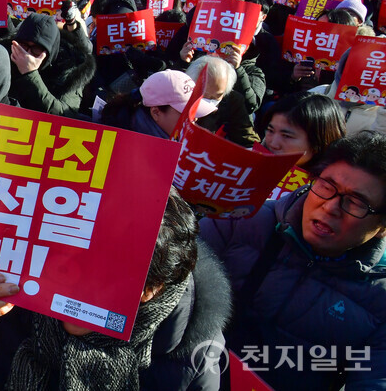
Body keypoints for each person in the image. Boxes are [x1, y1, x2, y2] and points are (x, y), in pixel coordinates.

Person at [0, 190, 231, 390]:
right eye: (69, 270)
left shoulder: (194, 355)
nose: (72, 295)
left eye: (103, 284)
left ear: (153, 291)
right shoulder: (27, 289)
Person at [201, 130, 386, 390]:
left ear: (382, 226)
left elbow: (375, 379)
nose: (330, 206)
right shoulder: (241, 219)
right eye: (326, 186)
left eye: (356, 202)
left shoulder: (378, 299)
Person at [101, 69, 217, 139]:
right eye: (186, 113)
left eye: (195, 111)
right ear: (156, 112)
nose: (195, 119)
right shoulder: (120, 144)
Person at [255, 92, 345, 173]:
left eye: (286, 136)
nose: (274, 144)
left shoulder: (330, 186)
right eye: (271, 131)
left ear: (318, 142)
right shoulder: (251, 167)